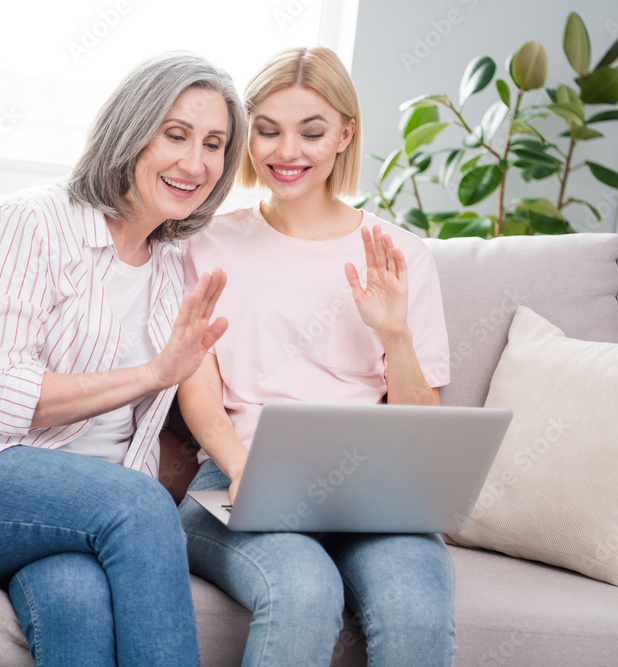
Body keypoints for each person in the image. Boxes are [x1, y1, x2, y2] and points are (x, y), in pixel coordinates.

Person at [0, 52, 244, 667]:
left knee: (77, 601)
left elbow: (198, 405)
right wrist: (150, 376)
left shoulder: (176, 266)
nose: (195, 163)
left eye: (215, 144)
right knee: (136, 503)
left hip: (73, 518)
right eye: (176, 135)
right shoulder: (33, 222)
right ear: (132, 130)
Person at [177, 46, 455, 666]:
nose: (287, 152)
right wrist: (244, 468)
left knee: (415, 610)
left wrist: (395, 334)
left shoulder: (401, 254)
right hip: (235, 477)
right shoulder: (205, 240)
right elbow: (198, 391)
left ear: (345, 135)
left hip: (372, 489)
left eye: (312, 132)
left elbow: (422, 426)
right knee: (304, 590)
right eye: (267, 131)